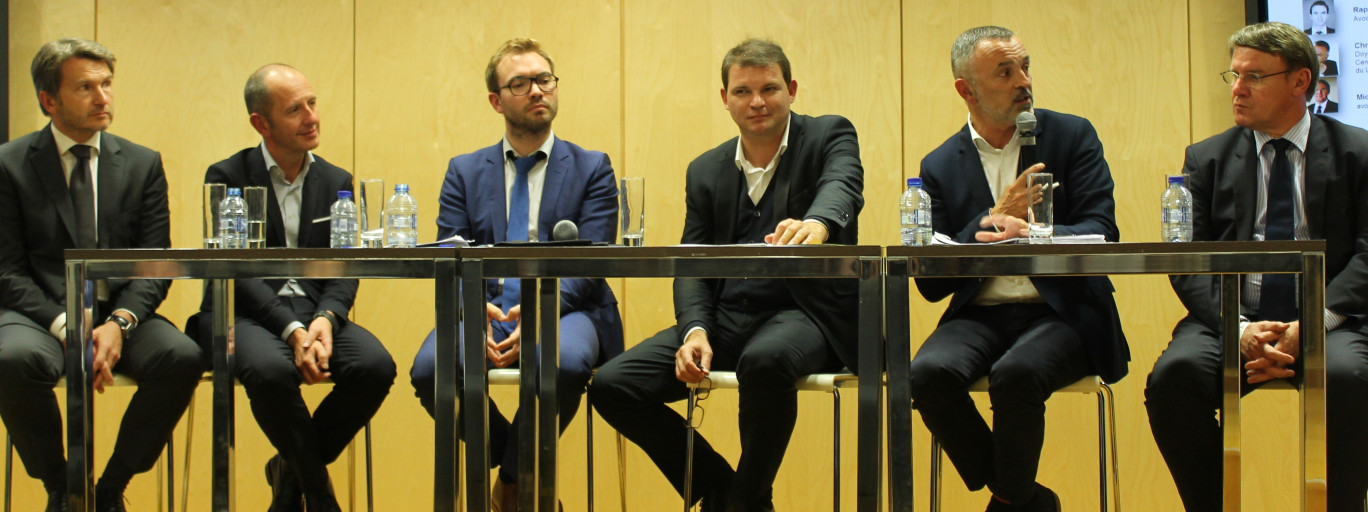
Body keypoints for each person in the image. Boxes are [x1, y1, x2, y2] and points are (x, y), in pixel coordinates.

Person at [589, 38, 863, 512]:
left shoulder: (828, 135)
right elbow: (692, 262)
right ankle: (728, 492)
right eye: (742, 91)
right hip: (727, 317)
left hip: (806, 314)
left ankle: (738, 503)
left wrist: (818, 223)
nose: (757, 101)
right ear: (725, 98)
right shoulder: (706, 169)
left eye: (769, 88)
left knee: (766, 361)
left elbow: (843, 184)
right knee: (614, 386)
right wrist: (695, 329)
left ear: (792, 89)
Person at [1145, 21, 1368, 511]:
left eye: (1255, 77)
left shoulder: (1358, 153)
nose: (1238, 89)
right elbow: (1188, 260)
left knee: (1351, 381)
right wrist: (1239, 329)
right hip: (1233, 319)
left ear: (1300, 81)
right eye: (1234, 75)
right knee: (1173, 379)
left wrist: (1311, 324)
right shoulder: (1208, 159)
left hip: (1332, 321)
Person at [909, 26, 1128, 512]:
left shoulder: (1071, 136)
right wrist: (990, 217)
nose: (1023, 81)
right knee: (925, 375)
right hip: (981, 312)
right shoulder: (939, 164)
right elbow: (930, 281)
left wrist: (1031, 233)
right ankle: (1026, 498)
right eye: (1005, 72)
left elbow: (1102, 231)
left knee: (1017, 375)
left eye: (1025, 67)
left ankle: (1008, 503)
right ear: (966, 90)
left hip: (1064, 313)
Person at [407, 37, 623, 511]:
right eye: (520, 83)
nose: (537, 91)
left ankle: (510, 482)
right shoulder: (464, 171)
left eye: (544, 79)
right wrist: (473, 311)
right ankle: (515, 455)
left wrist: (541, 312)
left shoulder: (592, 167)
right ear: (496, 100)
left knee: (561, 365)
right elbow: (453, 253)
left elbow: (593, 260)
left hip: (569, 307)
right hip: (485, 307)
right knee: (429, 371)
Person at [0, 38, 203, 512]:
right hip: (40, 316)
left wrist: (120, 323)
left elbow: (156, 263)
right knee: (10, 360)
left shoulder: (141, 162)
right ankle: (64, 487)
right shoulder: (9, 165)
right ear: (49, 100)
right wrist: (68, 325)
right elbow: (6, 270)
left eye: (107, 84)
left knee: (182, 357)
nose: (103, 97)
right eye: (86, 87)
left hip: (121, 314)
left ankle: (111, 487)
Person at [190, 64, 396, 512]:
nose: (310, 117)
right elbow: (236, 273)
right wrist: (292, 331)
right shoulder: (227, 176)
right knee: (270, 371)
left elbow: (344, 265)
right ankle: (319, 495)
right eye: (294, 109)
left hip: (314, 312)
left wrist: (325, 319)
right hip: (239, 314)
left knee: (375, 367)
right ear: (260, 124)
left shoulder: (336, 181)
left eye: (312, 103)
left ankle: (290, 478)